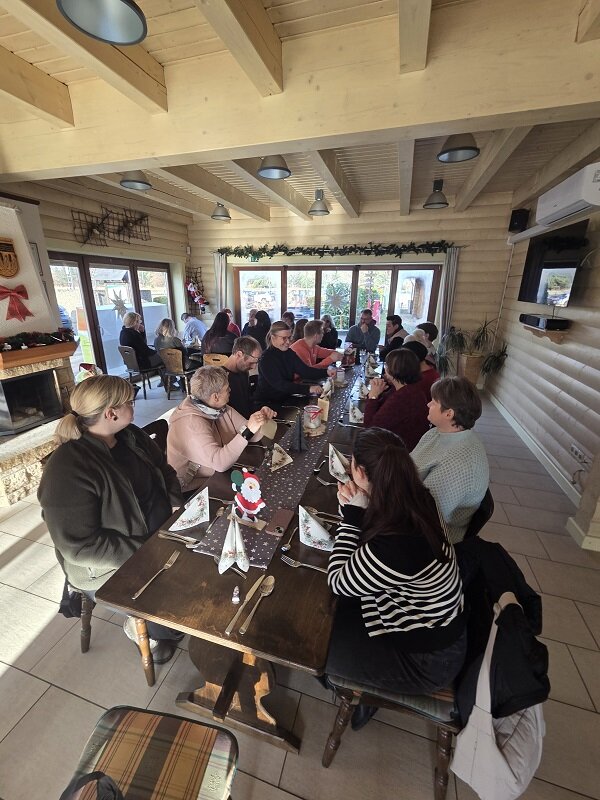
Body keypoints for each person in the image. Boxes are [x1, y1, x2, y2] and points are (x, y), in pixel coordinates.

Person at [325, 427, 466, 730]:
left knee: (315, 647)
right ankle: (366, 682)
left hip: (426, 659)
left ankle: (368, 691)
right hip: (422, 619)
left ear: (360, 473)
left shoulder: (399, 545)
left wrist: (350, 517)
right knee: (328, 617)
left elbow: (338, 580)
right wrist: (357, 510)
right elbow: (372, 548)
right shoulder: (416, 496)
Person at [38, 376, 184, 664]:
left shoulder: (132, 436)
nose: (135, 405)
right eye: (130, 401)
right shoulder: (68, 468)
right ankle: (147, 627)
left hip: (159, 534)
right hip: (110, 564)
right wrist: (146, 552)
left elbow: (163, 470)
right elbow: (79, 547)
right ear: (110, 413)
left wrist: (176, 505)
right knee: (173, 614)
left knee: (203, 573)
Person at [167, 366, 275, 494]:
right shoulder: (191, 424)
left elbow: (252, 435)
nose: (230, 389)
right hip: (195, 487)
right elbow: (220, 463)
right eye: (226, 388)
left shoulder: (218, 408)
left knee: (264, 482)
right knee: (260, 490)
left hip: (218, 473)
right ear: (215, 397)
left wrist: (261, 419)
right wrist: (247, 431)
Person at [411, 376, 489, 544]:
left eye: (433, 402)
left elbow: (426, 514)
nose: (428, 405)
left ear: (448, 413)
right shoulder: (437, 432)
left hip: (431, 539)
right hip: (408, 498)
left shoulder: (459, 462)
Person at [364, 349, 429, 450]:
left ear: (393, 370)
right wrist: (377, 393)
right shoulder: (407, 388)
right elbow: (383, 409)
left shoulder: (403, 397)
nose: (385, 368)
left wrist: (373, 397)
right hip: (397, 442)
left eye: (387, 365)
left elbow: (370, 428)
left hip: (397, 452)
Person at [254, 320, 329, 405]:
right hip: (268, 403)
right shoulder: (266, 358)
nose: (288, 342)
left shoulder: (289, 353)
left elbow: (305, 371)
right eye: (284, 338)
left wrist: (327, 372)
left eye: (289, 337)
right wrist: (308, 389)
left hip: (285, 397)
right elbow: (280, 385)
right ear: (273, 337)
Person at [222, 336, 262, 418]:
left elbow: (247, 403)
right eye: (251, 363)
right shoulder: (221, 378)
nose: (254, 367)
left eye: (256, 363)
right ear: (239, 354)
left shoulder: (243, 372)